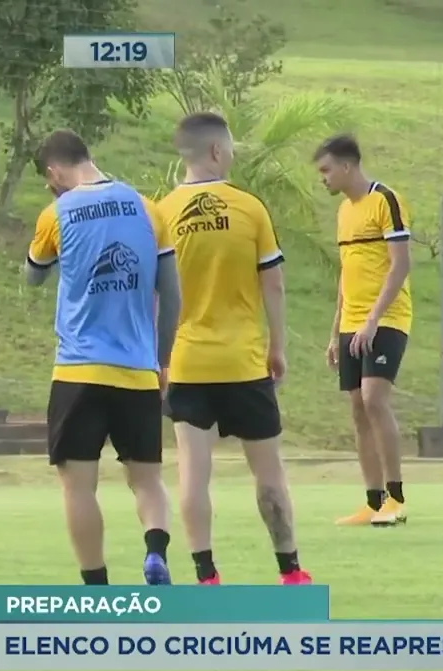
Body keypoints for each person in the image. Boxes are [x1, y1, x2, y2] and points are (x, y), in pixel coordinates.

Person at [159, 112, 312, 585]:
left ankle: (206, 574)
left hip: (187, 362)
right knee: (268, 472)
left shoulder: (161, 214)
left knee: (192, 473)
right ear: (216, 152)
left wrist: (158, 359)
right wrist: (278, 347)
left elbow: (154, 294)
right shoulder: (249, 208)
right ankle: (289, 570)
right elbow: (275, 286)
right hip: (243, 362)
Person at [24, 130, 181, 586]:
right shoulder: (147, 208)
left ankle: (97, 587)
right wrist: (163, 360)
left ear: (53, 172)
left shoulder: (56, 213)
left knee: (78, 486)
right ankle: (155, 552)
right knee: (147, 480)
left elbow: (33, 276)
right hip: (137, 371)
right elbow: (170, 297)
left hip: (78, 370)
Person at [313, 135, 413, 527]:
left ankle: (397, 498)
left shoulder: (386, 200)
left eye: (326, 170)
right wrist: (336, 329)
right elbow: (347, 272)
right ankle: (373, 501)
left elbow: (400, 265)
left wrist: (372, 319)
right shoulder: (343, 211)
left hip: (386, 317)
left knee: (374, 399)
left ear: (347, 166)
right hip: (351, 322)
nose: (323, 178)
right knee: (358, 408)